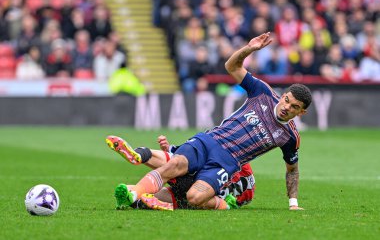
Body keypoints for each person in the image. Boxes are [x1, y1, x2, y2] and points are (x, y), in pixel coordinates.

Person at [112, 32, 312, 211]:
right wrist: (248, 49)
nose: (287, 107)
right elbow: (231, 66)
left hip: (227, 163)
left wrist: (293, 203)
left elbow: (292, 170)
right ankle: (136, 192)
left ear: (301, 112)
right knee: (175, 165)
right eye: (287, 100)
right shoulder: (263, 93)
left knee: (194, 196)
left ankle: (218, 203)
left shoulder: (290, 137)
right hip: (210, 141)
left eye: (294, 107)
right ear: (284, 95)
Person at [106, 135, 255, 211]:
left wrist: (169, 149)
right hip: (201, 194)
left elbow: (194, 157)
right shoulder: (237, 162)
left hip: (202, 190)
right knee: (175, 180)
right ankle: (134, 196)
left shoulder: (229, 158)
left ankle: (142, 155)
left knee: (175, 164)